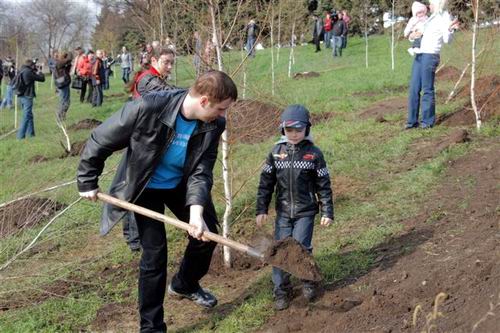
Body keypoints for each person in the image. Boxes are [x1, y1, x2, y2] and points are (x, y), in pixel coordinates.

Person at [77, 70, 238, 332]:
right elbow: (101, 138)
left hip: (180, 184)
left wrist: (196, 214)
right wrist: (87, 180)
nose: (223, 116)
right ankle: (151, 327)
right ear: (205, 101)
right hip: (145, 186)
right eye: (221, 109)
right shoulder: (149, 108)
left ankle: (185, 284)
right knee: (154, 255)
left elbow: (201, 170)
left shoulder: (213, 124)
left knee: (206, 235)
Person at [255, 105, 334, 311]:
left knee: (301, 248)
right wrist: (261, 209)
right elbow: (265, 184)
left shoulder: (313, 155)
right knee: (280, 251)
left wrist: (327, 211)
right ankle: (281, 291)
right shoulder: (275, 154)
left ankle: (308, 282)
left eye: (299, 130)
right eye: (289, 130)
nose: (294, 134)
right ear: (283, 130)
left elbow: (323, 185)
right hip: (283, 212)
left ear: (307, 129)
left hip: (305, 211)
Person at [406, 0, 459, 129]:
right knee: (414, 89)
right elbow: (417, 33)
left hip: (430, 56)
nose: (429, 6)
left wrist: (451, 29)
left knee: (427, 89)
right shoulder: (430, 18)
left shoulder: (444, 17)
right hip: (420, 55)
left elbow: (447, 40)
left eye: (431, 3)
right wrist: (412, 35)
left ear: (438, 3)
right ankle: (412, 122)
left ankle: (427, 122)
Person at [16, 59, 46, 139]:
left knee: (29, 115)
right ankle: (20, 136)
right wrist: (40, 71)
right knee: (26, 116)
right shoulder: (28, 72)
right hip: (27, 96)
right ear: (31, 66)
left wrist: (34, 69)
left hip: (21, 95)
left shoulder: (21, 70)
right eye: (33, 65)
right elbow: (42, 79)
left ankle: (31, 135)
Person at [54, 52, 73, 120]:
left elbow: (67, 69)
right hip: (63, 84)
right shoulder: (60, 62)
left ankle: (62, 116)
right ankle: (60, 117)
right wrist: (69, 54)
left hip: (64, 83)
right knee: (64, 101)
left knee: (66, 101)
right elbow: (69, 59)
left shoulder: (61, 63)